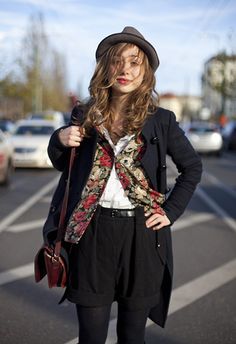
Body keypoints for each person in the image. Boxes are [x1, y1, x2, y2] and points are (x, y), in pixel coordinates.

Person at [44, 26, 202, 344]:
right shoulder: (84, 115)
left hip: (142, 236)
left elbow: (192, 168)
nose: (125, 70)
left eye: (134, 62)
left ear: (145, 72)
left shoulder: (162, 120)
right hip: (91, 233)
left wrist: (170, 210)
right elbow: (64, 165)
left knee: (132, 336)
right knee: (91, 336)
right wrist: (58, 139)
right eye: (117, 61)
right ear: (106, 67)